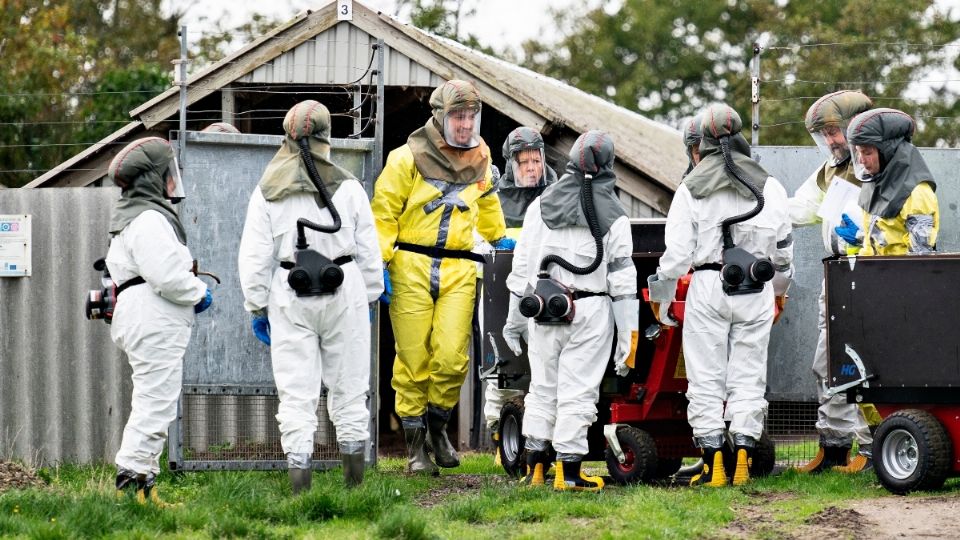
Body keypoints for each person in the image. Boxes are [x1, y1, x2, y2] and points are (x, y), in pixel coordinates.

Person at [237, 100, 383, 492]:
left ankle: (300, 486)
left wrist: (256, 305)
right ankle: (354, 487)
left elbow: (253, 256)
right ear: (326, 138)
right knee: (350, 387)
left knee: (296, 392)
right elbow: (369, 249)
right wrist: (369, 295)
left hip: (290, 293)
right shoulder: (348, 186)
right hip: (344, 287)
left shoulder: (267, 190)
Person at [372, 79, 512, 475]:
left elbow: (487, 204)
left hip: (460, 266)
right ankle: (415, 449)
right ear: (440, 116)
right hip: (411, 264)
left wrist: (501, 241)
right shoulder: (405, 158)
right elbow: (383, 213)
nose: (466, 124)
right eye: (458, 116)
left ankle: (437, 429)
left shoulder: (482, 159)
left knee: (452, 359)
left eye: (471, 116)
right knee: (414, 358)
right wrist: (379, 262)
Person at [648, 104, 793, 487]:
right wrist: (778, 294)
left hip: (709, 287)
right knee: (748, 377)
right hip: (757, 289)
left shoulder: (691, 187)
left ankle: (714, 466)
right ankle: (743, 458)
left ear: (701, 145)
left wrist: (660, 302)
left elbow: (676, 258)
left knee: (706, 379)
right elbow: (784, 255)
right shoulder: (771, 185)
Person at [502, 130, 638, 492]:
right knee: (577, 393)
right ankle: (569, 473)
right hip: (591, 310)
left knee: (542, 390)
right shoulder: (615, 216)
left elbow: (523, 271)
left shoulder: (541, 206)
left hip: (544, 308)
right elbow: (623, 283)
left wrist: (514, 321)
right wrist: (629, 336)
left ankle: (535, 468)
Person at [106, 137, 213, 505]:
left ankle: (141, 485)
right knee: (155, 402)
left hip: (143, 313)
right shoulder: (149, 218)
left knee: (153, 400)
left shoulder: (135, 215)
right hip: (152, 315)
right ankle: (134, 487)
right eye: (169, 173)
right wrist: (199, 292)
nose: (174, 180)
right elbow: (166, 276)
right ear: (154, 177)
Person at [790, 90, 877, 474]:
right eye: (823, 133)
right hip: (836, 272)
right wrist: (758, 207)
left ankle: (870, 447)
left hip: (867, 274)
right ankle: (834, 448)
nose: (830, 140)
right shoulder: (830, 169)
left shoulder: (878, 165)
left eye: (833, 131)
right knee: (828, 363)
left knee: (862, 361)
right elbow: (802, 207)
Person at [484, 127, 559, 464]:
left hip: (543, 290)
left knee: (543, 365)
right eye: (524, 161)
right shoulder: (494, 199)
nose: (531, 167)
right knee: (503, 365)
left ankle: (543, 436)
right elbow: (475, 239)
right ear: (511, 163)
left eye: (536, 159)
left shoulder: (558, 194)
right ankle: (501, 436)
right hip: (499, 286)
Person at [839, 108, 938, 258]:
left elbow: (920, 259)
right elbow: (870, 246)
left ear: (888, 151)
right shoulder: (872, 186)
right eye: (858, 152)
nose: (860, 160)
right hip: (879, 274)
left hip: (903, 276)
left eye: (867, 152)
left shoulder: (917, 193)